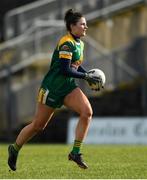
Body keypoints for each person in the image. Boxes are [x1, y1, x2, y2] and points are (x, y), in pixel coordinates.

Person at [8, 9, 103, 171]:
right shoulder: (66, 43)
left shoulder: (80, 43)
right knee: (38, 126)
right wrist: (86, 76)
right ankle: (14, 149)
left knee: (87, 112)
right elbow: (65, 70)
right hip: (52, 88)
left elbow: (76, 67)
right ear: (72, 26)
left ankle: (75, 152)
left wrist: (90, 76)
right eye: (82, 24)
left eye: (86, 24)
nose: (86, 27)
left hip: (67, 87)